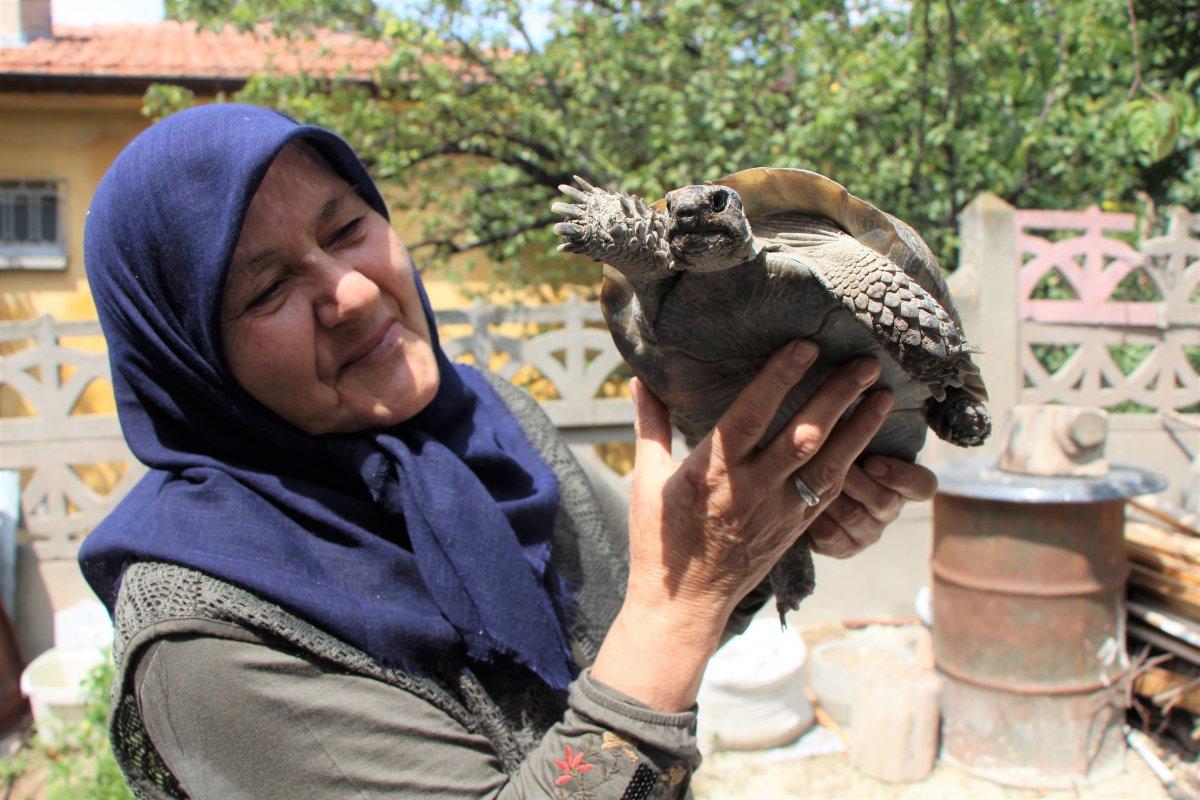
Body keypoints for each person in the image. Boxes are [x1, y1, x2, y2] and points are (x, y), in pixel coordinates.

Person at [78, 104, 937, 799]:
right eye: (269, 288)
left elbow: (644, 612)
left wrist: (770, 530)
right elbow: (664, 621)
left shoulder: (489, 423)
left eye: (345, 230)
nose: (352, 293)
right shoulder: (209, 641)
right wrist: (687, 599)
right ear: (188, 358)